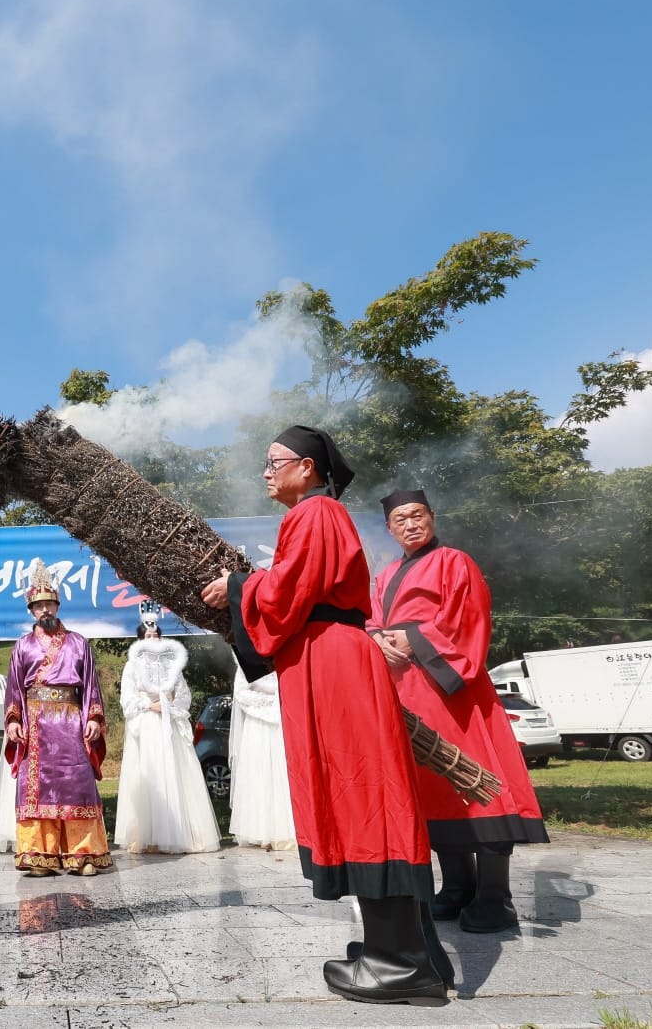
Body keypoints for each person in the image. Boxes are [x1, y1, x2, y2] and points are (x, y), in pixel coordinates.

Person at [201, 426, 447, 1006]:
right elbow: (294, 586)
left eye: (273, 461)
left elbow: (289, 591)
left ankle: (402, 964)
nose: (265, 471)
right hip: (326, 661)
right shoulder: (316, 515)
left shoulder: (313, 515)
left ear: (306, 468)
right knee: (352, 793)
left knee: (363, 794)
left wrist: (237, 584)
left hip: (334, 664)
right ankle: (403, 949)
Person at [368, 488, 548, 934]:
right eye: (401, 520)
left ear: (432, 517)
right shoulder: (385, 574)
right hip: (408, 689)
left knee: (476, 779)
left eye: (417, 515)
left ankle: (495, 897)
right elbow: (373, 619)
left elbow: (468, 618)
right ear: (389, 529)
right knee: (435, 787)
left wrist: (412, 639)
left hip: (454, 690)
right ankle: (456, 887)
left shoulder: (455, 561)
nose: (410, 524)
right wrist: (376, 639)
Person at [4, 560, 112, 877]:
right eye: (38, 606)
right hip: (35, 723)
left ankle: (84, 855)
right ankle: (40, 855)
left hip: (71, 722)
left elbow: (91, 683)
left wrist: (93, 716)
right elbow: (13, 688)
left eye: (49, 603)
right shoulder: (22, 646)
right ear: (31, 610)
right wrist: (13, 720)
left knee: (77, 784)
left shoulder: (79, 643)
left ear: (57, 604)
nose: (44, 610)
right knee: (34, 786)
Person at [115, 617, 220, 854]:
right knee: (151, 772)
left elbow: (184, 696)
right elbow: (127, 697)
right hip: (148, 723)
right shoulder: (133, 666)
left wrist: (170, 708)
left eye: (156, 636)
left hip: (169, 722)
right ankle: (150, 835)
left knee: (175, 772)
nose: (153, 641)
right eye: (148, 637)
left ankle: (180, 833)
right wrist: (148, 705)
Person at [228, 663, 296, 851]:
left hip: (285, 718)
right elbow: (241, 693)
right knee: (260, 773)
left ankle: (290, 829)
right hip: (258, 723)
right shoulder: (245, 660)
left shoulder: (284, 656)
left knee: (285, 773)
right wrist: (271, 702)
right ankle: (261, 830)